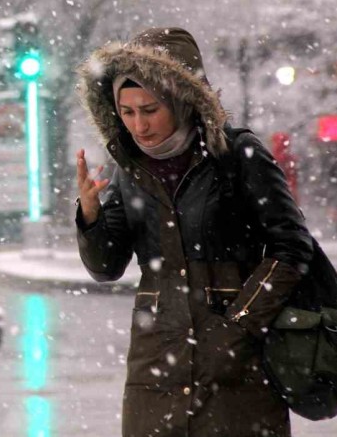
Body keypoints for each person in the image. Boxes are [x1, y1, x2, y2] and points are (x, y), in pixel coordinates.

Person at [74, 27, 315, 437]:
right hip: (156, 364)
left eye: (150, 109)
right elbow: (106, 267)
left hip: (236, 359)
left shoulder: (236, 155)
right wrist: (90, 215)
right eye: (127, 111)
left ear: (182, 100)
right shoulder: (127, 169)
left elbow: (291, 247)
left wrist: (237, 327)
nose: (139, 125)